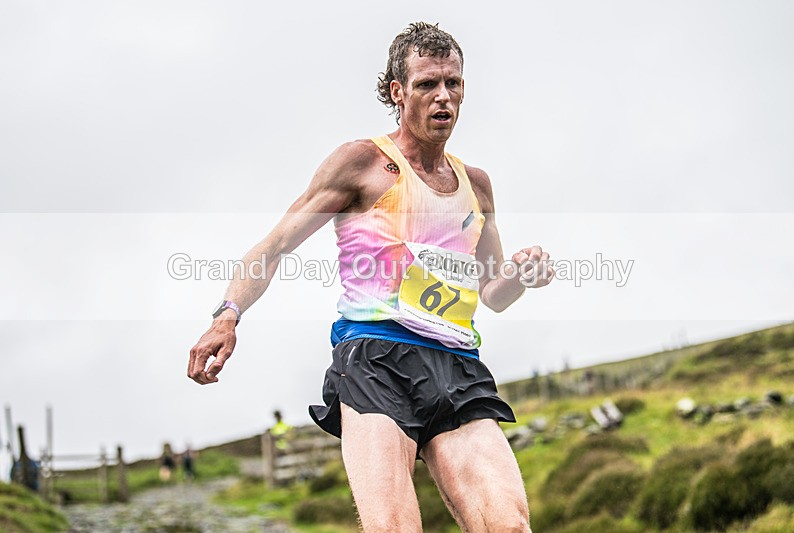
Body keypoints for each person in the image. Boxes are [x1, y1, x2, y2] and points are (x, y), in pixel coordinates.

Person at [188, 22, 554, 532]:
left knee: (508, 526)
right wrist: (226, 317)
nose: (443, 96)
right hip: (375, 359)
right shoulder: (365, 163)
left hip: (458, 366)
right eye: (427, 84)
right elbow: (273, 247)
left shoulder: (477, 186)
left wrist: (520, 274)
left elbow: (493, 294)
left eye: (454, 83)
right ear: (397, 92)